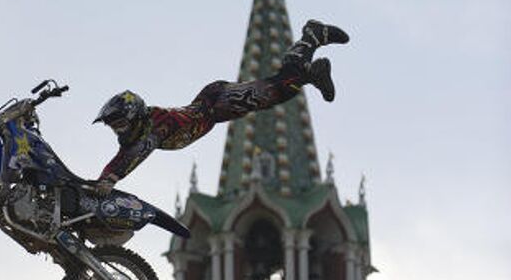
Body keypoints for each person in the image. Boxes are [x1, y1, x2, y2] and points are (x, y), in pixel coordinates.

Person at [91, 19, 349, 197]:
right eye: (114, 126)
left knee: (274, 91)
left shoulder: (156, 124)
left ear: (134, 115)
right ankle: (310, 66)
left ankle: (312, 41)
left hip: (215, 102)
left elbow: (140, 149)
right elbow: (124, 154)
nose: (118, 130)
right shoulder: (138, 135)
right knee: (276, 90)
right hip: (214, 108)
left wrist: (111, 178)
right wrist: (102, 179)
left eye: (120, 123)